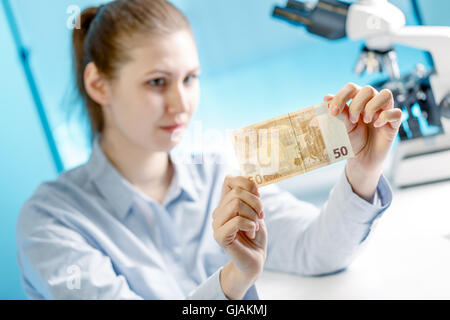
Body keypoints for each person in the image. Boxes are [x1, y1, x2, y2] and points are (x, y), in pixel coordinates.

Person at [16, 0, 402, 300]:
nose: (181, 103)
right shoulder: (52, 221)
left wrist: (362, 172)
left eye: (190, 78)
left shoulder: (217, 173)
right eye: (156, 82)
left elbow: (316, 251)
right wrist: (232, 282)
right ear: (99, 85)